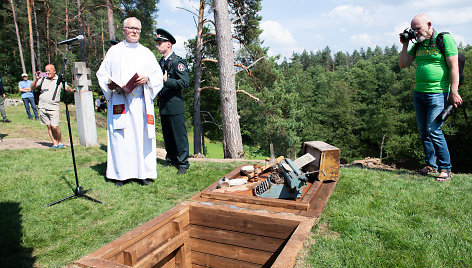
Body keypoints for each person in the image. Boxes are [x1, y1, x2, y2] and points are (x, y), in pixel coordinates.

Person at [96, 17, 163, 186]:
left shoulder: (146, 52)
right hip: (120, 100)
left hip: (140, 102)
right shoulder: (114, 51)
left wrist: (147, 79)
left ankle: (142, 173)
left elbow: (157, 76)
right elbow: (102, 74)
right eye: (131, 28)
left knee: (141, 137)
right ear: (124, 30)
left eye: (138, 29)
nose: (134, 31)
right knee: (121, 138)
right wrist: (109, 84)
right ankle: (120, 174)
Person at [399, 14, 463, 181]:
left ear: (429, 25)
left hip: (438, 92)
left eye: (418, 29)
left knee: (434, 130)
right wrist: (405, 45)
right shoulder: (419, 43)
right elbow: (403, 63)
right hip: (419, 92)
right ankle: (431, 165)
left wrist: (453, 92)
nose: (415, 32)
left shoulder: (444, 39)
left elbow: (454, 67)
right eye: (413, 29)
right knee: (424, 131)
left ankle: (445, 168)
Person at [155, 28, 190, 174]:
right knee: (167, 134)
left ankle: (183, 162)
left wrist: (167, 81)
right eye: (157, 42)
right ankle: (171, 159)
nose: (157, 45)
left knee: (179, 135)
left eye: (160, 43)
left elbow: (185, 82)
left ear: (168, 44)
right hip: (163, 104)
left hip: (175, 104)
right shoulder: (160, 62)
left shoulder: (177, 62)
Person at [31, 64, 76, 149]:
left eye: (49, 70)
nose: (47, 72)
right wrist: (36, 79)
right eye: (46, 70)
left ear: (54, 71)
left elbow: (66, 87)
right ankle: (54, 143)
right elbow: (32, 88)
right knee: (48, 126)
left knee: (54, 126)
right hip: (42, 106)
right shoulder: (43, 78)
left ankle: (60, 142)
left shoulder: (59, 79)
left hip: (53, 106)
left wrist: (71, 90)